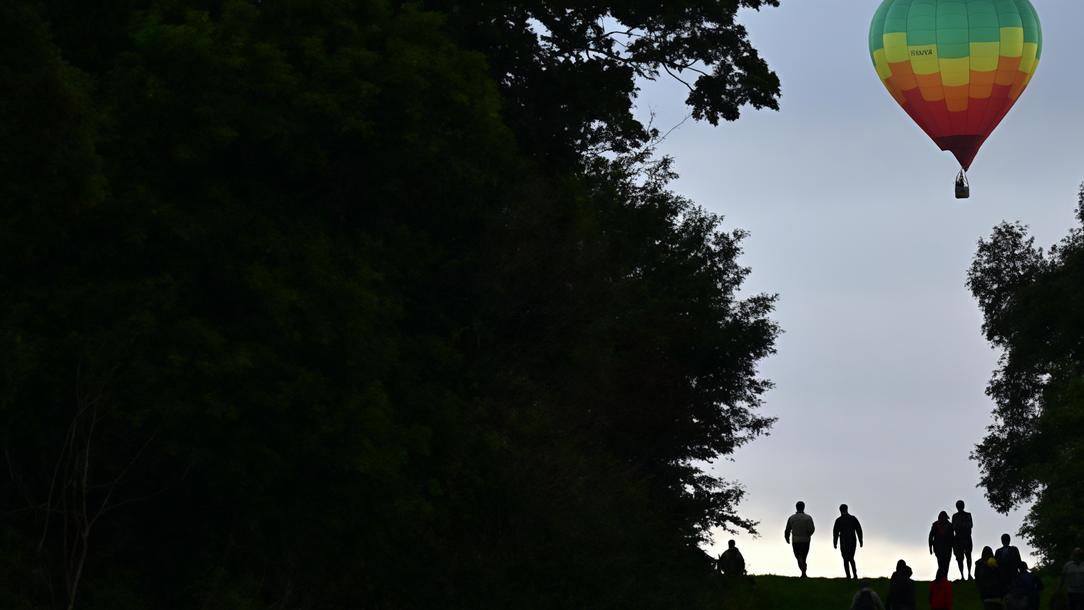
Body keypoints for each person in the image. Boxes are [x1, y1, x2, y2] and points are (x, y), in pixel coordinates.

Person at [785, 500, 815, 578]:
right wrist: (808, 534)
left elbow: (787, 529)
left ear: (796, 507)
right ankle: (803, 572)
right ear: (804, 507)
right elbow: (812, 529)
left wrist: (787, 538)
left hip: (796, 540)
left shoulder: (792, 518)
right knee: (804, 556)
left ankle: (803, 571)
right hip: (806, 540)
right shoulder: (808, 518)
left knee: (798, 556)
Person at [834, 504, 864, 579]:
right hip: (852, 540)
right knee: (851, 558)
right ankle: (855, 575)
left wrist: (835, 542)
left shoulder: (838, 520)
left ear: (840, 510)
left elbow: (835, 532)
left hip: (843, 541)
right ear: (847, 509)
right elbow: (859, 530)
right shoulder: (853, 518)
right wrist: (860, 540)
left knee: (845, 559)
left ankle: (848, 576)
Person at [929, 511, 956, 579]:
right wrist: (930, 547)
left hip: (944, 548)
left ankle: (943, 578)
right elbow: (931, 537)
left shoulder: (948, 525)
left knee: (943, 563)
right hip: (941, 548)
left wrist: (930, 547)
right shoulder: (948, 525)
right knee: (943, 563)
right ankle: (943, 578)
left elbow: (930, 537)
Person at [952, 500, 974, 580]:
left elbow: (970, 525)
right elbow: (954, 527)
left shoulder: (968, 515)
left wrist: (961, 524)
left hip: (967, 538)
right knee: (959, 558)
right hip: (958, 540)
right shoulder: (955, 516)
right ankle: (962, 575)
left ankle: (969, 574)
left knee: (968, 556)